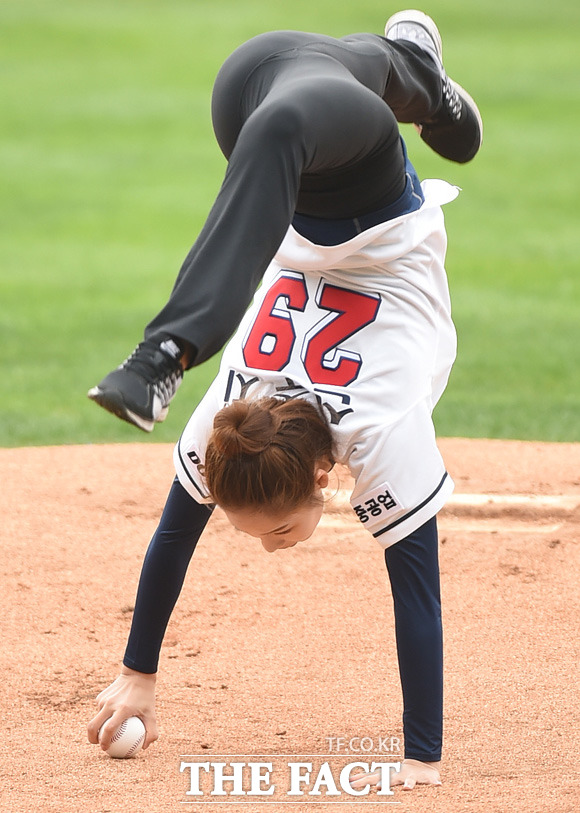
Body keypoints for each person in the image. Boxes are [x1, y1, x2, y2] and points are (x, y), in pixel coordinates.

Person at [87, 10, 483, 792]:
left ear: (316, 479)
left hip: (299, 130)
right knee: (315, 103)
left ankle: (162, 354)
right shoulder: (262, 421)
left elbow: (418, 593)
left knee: (283, 128)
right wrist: (136, 673)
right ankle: (417, 71)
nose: (265, 544)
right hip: (292, 109)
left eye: (271, 526)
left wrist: (421, 761)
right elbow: (176, 531)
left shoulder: (348, 428)